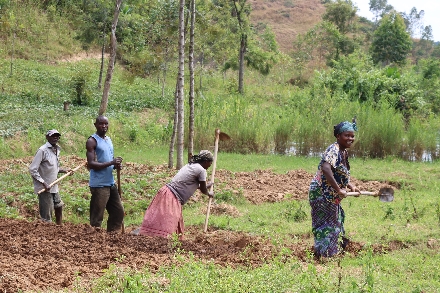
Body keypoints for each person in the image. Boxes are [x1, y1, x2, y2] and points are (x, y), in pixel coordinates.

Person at [133, 150, 214, 240]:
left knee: (159, 220)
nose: (210, 165)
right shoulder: (201, 170)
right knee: (166, 224)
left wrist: (206, 186)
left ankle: (148, 235)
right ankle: (152, 239)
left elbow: (190, 185)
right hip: (171, 197)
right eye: (210, 163)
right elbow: (203, 190)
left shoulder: (191, 165)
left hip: (167, 192)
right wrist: (208, 193)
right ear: (206, 161)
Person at [308, 118, 360, 258]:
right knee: (327, 224)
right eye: (347, 135)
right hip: (321, 192)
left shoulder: (343, 152)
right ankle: (325, 255)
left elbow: (338, 172)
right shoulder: (334, 149)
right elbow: (326, 168)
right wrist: (338, 189)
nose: (350, 138)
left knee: (334, 221)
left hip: (330, 194)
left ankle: (330, 253)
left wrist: (350, 185)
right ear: (338, 136)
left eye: (352, 135)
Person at [86, 115, 124, 232]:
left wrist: (115, 165)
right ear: (95, 125)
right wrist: (111, 162)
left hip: (110, 182)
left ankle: (113, 235)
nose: (104, 126)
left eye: (106, 124)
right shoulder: (92, 141)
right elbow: (91, 164)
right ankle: (93, 238)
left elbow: (108, 158)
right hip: (99, 184)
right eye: (101, 124)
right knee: (97, 215)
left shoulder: (108, 140)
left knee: (118, 211)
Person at [29, 129, 72, 225]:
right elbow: (32, 169)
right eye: (52, 136)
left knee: (59, 206)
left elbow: (52, 167)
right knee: (47, 214)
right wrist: (44, 183)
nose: (55, 137)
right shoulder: (42, 150)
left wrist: (64, 170)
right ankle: (46, 235)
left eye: (57, 136)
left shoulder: (56, 149)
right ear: (47, 137)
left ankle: (59, 227)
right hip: (44, 188)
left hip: (53, 186)